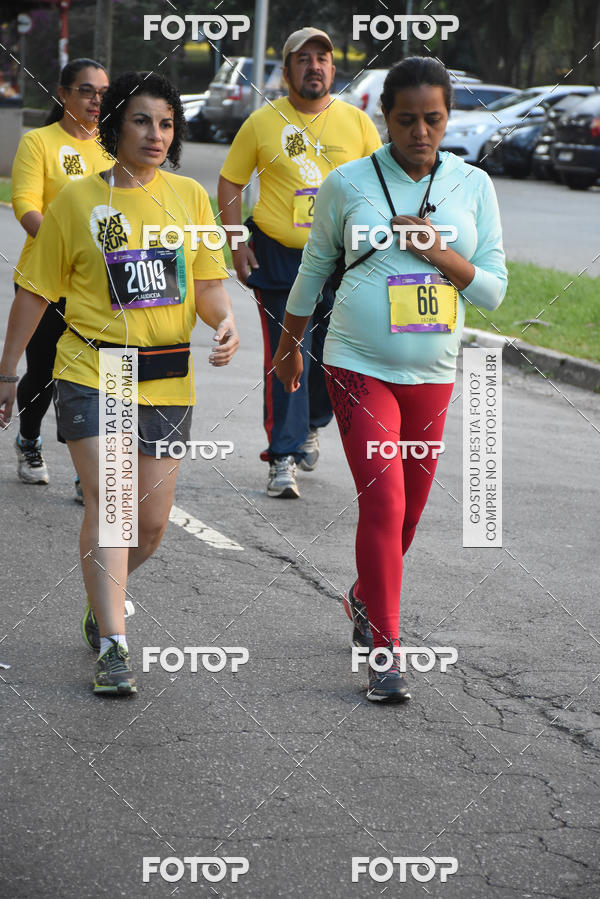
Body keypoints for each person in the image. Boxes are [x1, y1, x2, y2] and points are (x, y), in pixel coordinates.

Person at [274, 57, 507, 701]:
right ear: (385, 117)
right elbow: (312, 270)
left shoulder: (473, 185)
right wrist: (290, 348)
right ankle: (386, 650)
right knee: (384, 502)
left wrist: (440, 253)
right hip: (358, 363)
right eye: (406, 119)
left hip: (432, 372)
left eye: (433, 119)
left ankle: (364, 596)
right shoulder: (348, 183)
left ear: (449, 117)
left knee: (411, 512)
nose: (420, 132)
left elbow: (492, 291)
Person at [0, 72, 238, 695]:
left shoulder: (190, 198)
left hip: (167, 374)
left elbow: (209, 284)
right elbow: (34, 291)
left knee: (150, 524)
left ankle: (102, 596)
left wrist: (224, 321)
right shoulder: (77, 201)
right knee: (112, 503)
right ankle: (113, 643)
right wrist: (8, 370)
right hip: (95, 367)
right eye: (141, 121)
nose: (155, 134)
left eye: (166, 123)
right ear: (114, 127)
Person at [218, 27, 381, 498]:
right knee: (287, 352)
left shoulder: (357, 123)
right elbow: (230, 182)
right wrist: (236, 241)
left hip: (344, 261)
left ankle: (311, 422)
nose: (315, 66)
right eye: (303, 58)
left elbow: (382, 186)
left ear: (333, 68)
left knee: (333, 356)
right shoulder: (262, 122)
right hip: (280, 256)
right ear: (286, 71)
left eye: (322, 58)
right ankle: (282, 456)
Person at [11, 58, 109, 499]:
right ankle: (29, 439)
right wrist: (65, 249)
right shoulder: (39, 142)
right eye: (86, 90)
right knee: (45, 373)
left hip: (101, 285)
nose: (96, 100)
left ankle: (88, 472)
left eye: (103, 93)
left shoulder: (112, 147)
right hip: (46, 280)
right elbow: (25, 204)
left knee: (99, 377)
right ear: (63, 93)